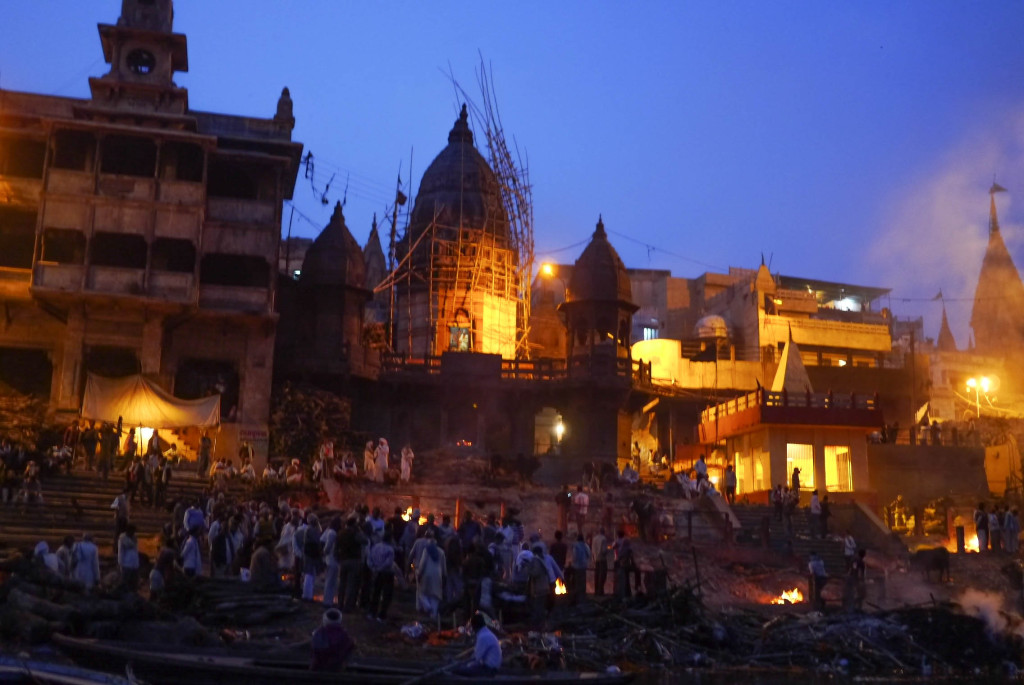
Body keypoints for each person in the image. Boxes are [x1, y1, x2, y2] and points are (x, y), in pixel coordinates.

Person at [453, 612, 502, 677]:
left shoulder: (483, 637)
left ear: (474, 627)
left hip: (489, 670)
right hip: (490, 668)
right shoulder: (487, 633)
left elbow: (476, 659)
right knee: (462, 668)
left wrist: (466, 666)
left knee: (457, 670)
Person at [117, 524, 140, 591]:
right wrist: (120, 563)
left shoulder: (134, 538)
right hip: (126, 564)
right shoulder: (123, 539)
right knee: (125, 583)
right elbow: (120, 552)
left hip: (135, 564)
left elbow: (136, 551)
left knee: (134, 584)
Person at [591, 528, 610, 596]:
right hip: (602, 559)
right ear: (603, 532)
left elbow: (592, 549)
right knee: (602, 576)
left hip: (596, 559)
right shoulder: (604, 539)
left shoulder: (594, 538)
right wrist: (608, 550)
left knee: (596, 575)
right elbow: (603, 550)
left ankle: (596, 591)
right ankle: (600, 591)